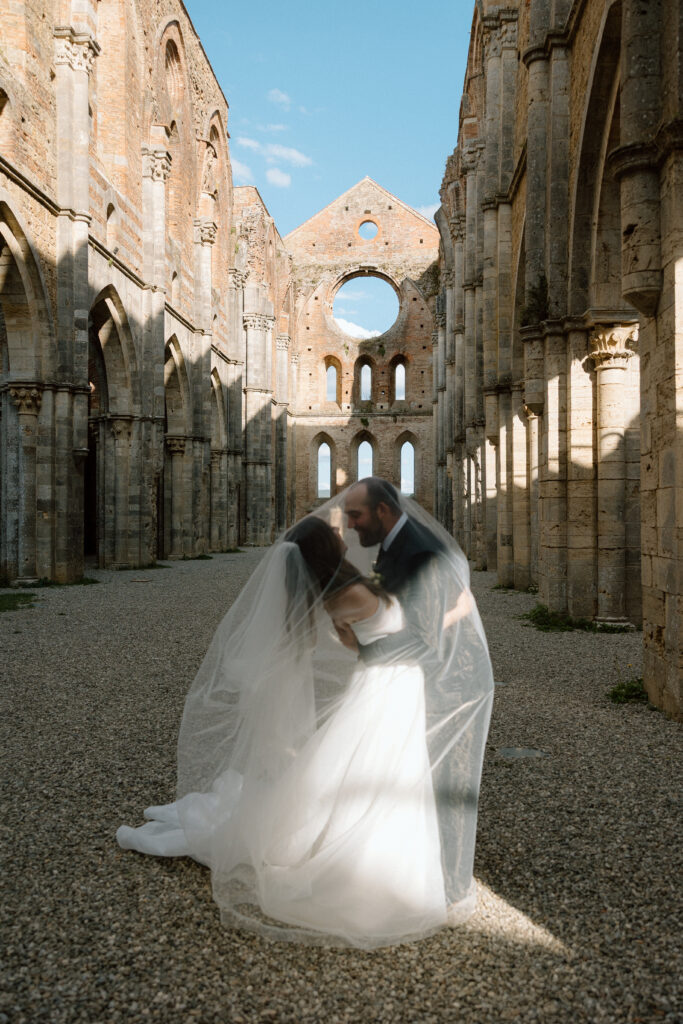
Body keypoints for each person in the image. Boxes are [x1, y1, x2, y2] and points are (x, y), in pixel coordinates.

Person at [116, 487, 494, 949]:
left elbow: (358, 641)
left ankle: (399, 865)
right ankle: (391, 873)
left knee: (373, 771)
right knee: (387, 770)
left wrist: (402, 626)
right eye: (337, 528)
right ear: (325, 548)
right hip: (389, 691)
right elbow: (398, 629)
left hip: (384, 685)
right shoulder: (356, 593)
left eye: (349, 519)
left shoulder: (339, 593)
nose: (345, 529)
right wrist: (456, 606)